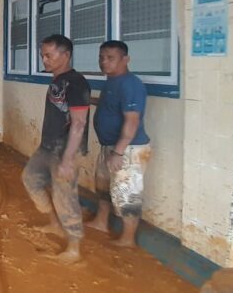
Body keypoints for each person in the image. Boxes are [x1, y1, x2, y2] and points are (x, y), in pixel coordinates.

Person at [21, 34, 91, 263]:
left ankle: (74, 248)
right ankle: (54, 223)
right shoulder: (57, 81)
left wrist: (69, 160)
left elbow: (79, 123)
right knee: (30, 178)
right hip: (48, 146)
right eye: (43, 55)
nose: (44, 59)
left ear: (66, 55)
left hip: (66, 150)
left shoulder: (76, 82)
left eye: (49, 55)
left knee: (65, 196)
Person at [86, 40, 151, 247]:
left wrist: (119, 152)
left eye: (110, 58)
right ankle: (101, 222)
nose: (104, 62)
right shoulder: (113, 82)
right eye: (101, 57)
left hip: (128, 150)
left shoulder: (130, 84)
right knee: (103, 187)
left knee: (127, 193)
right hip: (110, 146)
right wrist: (90, 100)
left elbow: (132, 120)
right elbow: (111, 106)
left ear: (125, 59)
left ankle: (128, 238)